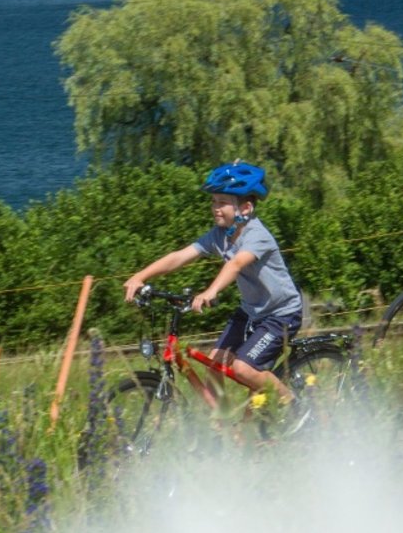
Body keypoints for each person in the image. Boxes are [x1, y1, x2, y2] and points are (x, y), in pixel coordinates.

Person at [121, 162, 305, 404]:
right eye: (213, 201)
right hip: (252, 312)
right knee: (214, 364)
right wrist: (140, 276)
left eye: (222, 202)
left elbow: (236, 264)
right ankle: (228, 431)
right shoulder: (220, 235)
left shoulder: (257, 235)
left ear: (245, 207)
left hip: (280, 314)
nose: (215, 208)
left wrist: (211, 291)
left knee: (242, 369)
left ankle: (297, 407)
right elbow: (180, 256)